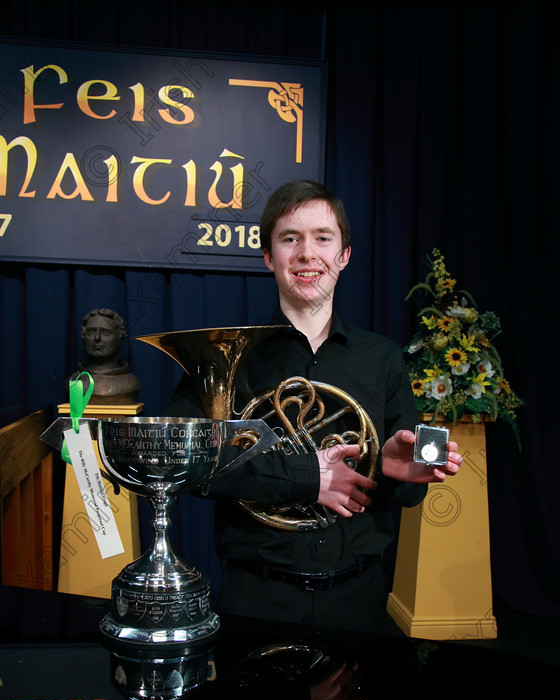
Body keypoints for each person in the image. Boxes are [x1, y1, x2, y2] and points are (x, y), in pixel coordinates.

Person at [166, 180, 462, 633]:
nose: (307, 254)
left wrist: (400, 470)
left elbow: (411, 488)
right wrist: (308, 478)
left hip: (359, 598)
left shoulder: (382, 356)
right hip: (256, 598)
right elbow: (184, 459)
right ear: (269, 256)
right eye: (291, 239)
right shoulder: (228, 354)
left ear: (343, 256)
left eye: (323, 238)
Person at [72, 308, 142, 403]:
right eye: (91, 332)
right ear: (83, 336)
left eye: (105, 333)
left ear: (120, 337)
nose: (97, 338)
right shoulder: (74, 381)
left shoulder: (131, 383)